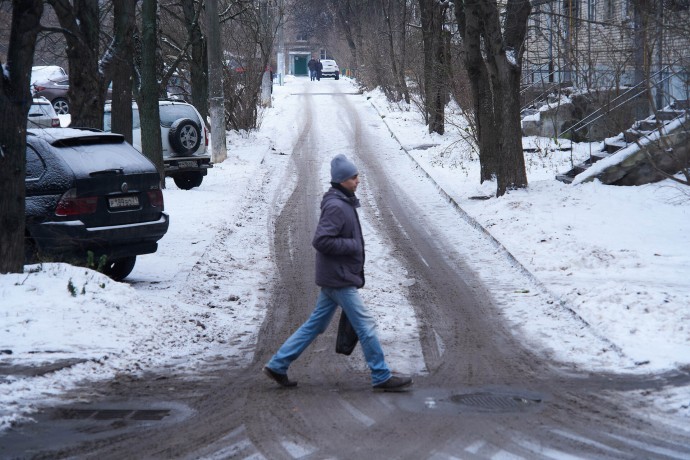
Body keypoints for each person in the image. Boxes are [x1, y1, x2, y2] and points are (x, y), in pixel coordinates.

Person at [264, 154, 413, 392]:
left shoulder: (343, 201)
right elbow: (321, 240)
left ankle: (278, 364)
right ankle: (381, 374)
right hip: (339, 278)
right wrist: (352, 245)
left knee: (315, 325)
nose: (358, 180)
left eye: (357, 176)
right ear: (342, 179)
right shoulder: (336, 205)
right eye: (354, 177)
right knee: (365, 324)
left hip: (335, 276)